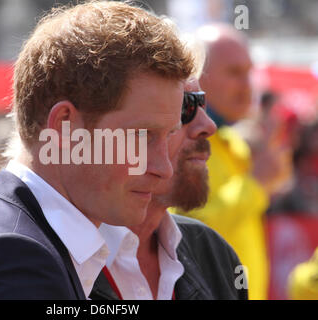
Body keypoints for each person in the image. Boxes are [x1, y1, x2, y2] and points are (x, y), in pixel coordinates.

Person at [0, 1, 195, 299]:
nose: (164, 167)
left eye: (168, 135)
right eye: (141, 137)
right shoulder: (9, 262)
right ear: (65, 127)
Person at [91, 75, 247, 300]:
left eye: (201, 103)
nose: (208, 126)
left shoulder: (214, 254)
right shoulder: (50, 256)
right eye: (184, 106)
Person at [173, 24, 286, 300]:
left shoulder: (235, 143)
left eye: (249, 72)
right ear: (196, 77)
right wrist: (255, 185)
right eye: (235, 72)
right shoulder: (176, 144)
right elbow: (183, 231)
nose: (247, 85)